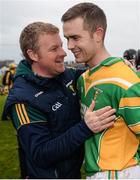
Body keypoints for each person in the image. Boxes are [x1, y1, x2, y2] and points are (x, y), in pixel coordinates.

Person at [2, 22, 116, 179]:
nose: (64, 52)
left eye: (61, 46)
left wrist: (118, 67)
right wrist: (86, 128)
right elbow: (40, 154)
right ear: (33, 55)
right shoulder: (22, 100)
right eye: (54, 49)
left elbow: (94, 72)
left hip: (73, 172)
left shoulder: (66, 75)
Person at [61, 2, 140, 179]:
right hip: (92, 172)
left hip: (121, 173)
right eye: (67, 38)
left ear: (98, 34)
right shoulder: (83, 79)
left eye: (75, 38)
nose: (69, 46)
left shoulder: (125, 81)